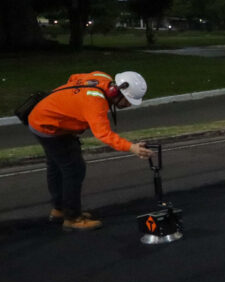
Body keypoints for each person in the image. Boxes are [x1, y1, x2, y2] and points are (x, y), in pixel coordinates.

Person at [27, 71, 153, 231]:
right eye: (128, 101)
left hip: (43, 117)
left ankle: (59, 209)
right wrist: (132, 147)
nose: (128, 105)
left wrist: (71, 106)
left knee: (56, 165)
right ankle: (72, 218)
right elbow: (103, 134)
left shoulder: (103, 77)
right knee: (74, 169)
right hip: (48, 127)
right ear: (116, 92)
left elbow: (73, 77)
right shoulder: (95, 103)